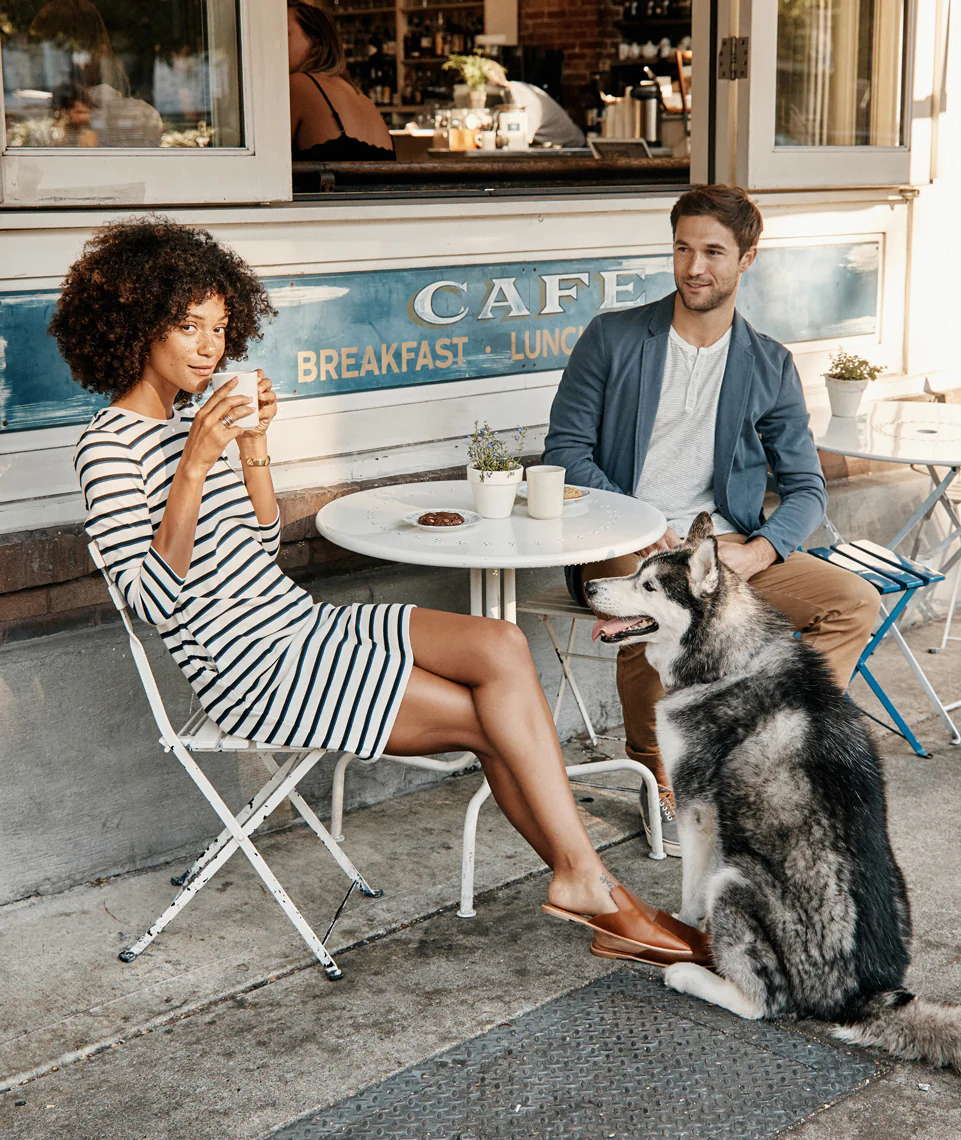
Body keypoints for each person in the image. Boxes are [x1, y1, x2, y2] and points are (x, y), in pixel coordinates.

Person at [54, 217, 707, 969]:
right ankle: (596, 891)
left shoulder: (188, 419)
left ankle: (584, 882)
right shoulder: (109, 446)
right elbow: (149, 602)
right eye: (189, 326)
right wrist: (197, 465)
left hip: (297, 624)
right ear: (136, 325)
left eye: (220, 326)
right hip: (247, 668)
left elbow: (257, 549)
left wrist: (253, 448)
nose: (211, 345)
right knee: (495, 720)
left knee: (498, 643)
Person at [543, 184, 882, 856]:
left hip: (720, 548)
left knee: (851, 604)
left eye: (712, 252)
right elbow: (566, 452)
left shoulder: (768, 363)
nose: (693, 266)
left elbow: (806, 487)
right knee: (661, 601)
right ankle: (656, 772)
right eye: (681, 248)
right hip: (617, 536)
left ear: (745, 259)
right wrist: (642, 528)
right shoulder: (613, 338)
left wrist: (757, 553)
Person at [287, 0, 395, 162]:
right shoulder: (358, 95)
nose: (274, 43)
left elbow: (267, 160)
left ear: (316, 44)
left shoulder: (298, 84)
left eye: (284, 33)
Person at [486, 61, 586, 149]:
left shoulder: (525, 100)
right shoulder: (513, 90)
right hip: (550, 148)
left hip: (572, 149)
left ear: (501, 85)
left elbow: (519, 142)